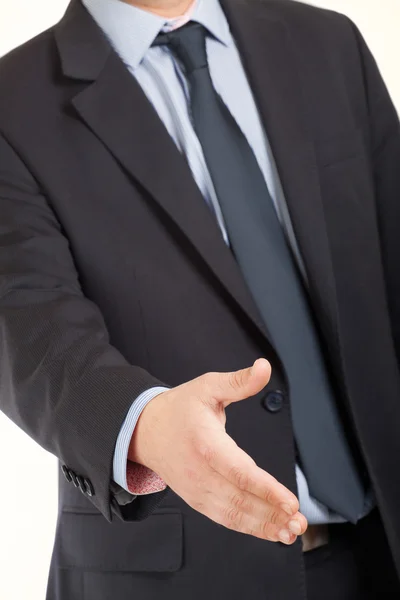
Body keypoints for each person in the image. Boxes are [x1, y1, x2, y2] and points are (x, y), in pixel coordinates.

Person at [1, 0, 400, 597]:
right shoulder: (14, 104)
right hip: (179, 577)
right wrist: (142, 423)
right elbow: (29, 327)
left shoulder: (329, 44)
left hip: (380, 551)